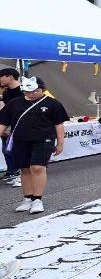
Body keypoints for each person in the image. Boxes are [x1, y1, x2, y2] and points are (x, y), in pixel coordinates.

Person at [0, 76, 67, 214]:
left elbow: (59, 124)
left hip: (44, 139)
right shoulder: (14, 104)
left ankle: (37, 199)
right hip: (20, 140)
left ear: (42, 89)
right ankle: (27, 198)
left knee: (37, 167)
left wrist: (60, 142)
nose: (31, 94)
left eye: (35, 91)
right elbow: (3, 123)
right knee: (24, 169)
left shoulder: (52, 104)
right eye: (27, 92)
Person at [0, 67, 23, 186]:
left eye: (1, 77)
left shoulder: (23, 90)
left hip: (18, 124)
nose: (0, 80)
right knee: (6, 149)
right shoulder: (6, 92)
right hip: (5, 122)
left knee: (12, 149)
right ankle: (12, 171)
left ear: (10, 77)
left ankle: (19, 173)